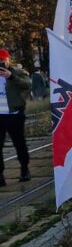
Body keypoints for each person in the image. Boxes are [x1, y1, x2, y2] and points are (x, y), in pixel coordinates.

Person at [0, 49, 31, 185]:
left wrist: (11, 77)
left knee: (19, 143)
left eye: (2, 60)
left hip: (14, 115)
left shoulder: (17, 72)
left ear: (8, 60)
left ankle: (24, 169)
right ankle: (0, 175)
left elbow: (28, 84)